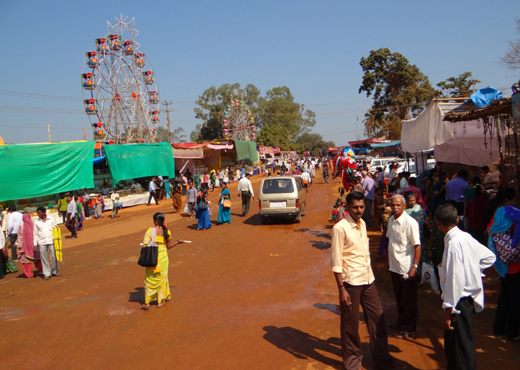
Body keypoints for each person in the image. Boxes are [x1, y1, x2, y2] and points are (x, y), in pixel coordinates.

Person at [331, 191, 399, 370]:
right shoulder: (340, 228)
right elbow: (336, 261)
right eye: (355, 207)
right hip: (350, 282)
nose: (359, 210)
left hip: (368, 279)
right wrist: (341, 288)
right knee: (350, 326)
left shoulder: (362, 224)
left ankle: (382, 360)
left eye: (362, 206)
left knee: (377, 320)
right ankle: (353, 364)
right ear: (348, 207)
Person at [435, 204, 496, 370]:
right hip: (465, 301)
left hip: (458, 302)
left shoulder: (453, 244)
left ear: (438, 224)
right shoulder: (465, 237)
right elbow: (489, 257)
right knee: (458, 343)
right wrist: (473, 271)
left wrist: (448, 311)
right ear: (456, 219)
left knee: (460, 346)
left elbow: (454, 281)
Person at [486, 187, 520, 342]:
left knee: (505, 295)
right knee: (514, 299)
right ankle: (512, 331)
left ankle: (498, 327)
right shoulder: (510, 212)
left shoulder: (495, 213)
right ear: (508, 199)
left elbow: (490, 232)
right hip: (515, 262)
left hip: (501, 262)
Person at [386, 194, 421, 339]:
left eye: (398, 205)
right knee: (399, 297)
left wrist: (414, 267)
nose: (395, 208)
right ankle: (401, 322)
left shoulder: (410, 223)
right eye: (393, 205)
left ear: (404, 206)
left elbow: (417, 246)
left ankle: (410, 327)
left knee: (408, 300)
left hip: (406, 268)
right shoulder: (391, 221)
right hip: (394, 266)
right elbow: (389, 240)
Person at [140, 212, 184, 310]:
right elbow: (168, 246)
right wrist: (178, 242)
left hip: (153, 258)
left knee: (150, 279)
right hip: (163, 258)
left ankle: (147, 302)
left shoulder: (150, 231)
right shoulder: (166, 232)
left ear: (155, 221)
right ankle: (160, 301)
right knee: (162, 279)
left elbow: (145, 245)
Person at [33, 207, 60, 280]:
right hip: (41, 242)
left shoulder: (51, 219)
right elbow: (35, 233)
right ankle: (47, 273)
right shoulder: (36, 222)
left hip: (51, 240)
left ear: (44, 212)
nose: (38, 215)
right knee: (44, 258)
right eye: (37, 213)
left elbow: (56, 229)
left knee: (53, 256)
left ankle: (55, 271)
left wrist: (57, 240)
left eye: (39, 213)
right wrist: (35, 244)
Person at [463, 176, 489, 245]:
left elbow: (465, 201)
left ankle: (472, 243)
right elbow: (487, 202)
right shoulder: (484, 191)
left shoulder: (469, 189)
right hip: (481, 212)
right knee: (481, 227)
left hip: (472, 212)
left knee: (472, 228)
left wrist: (465, 212)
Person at [16, 214, 42, 278]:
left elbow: (19, 238)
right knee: (38, 259)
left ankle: (29, 274)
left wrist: (19, 246)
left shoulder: (21, 227)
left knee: (26, 261)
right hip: (35, 246)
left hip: (25, 248)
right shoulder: (34, 225)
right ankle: (42, 271)